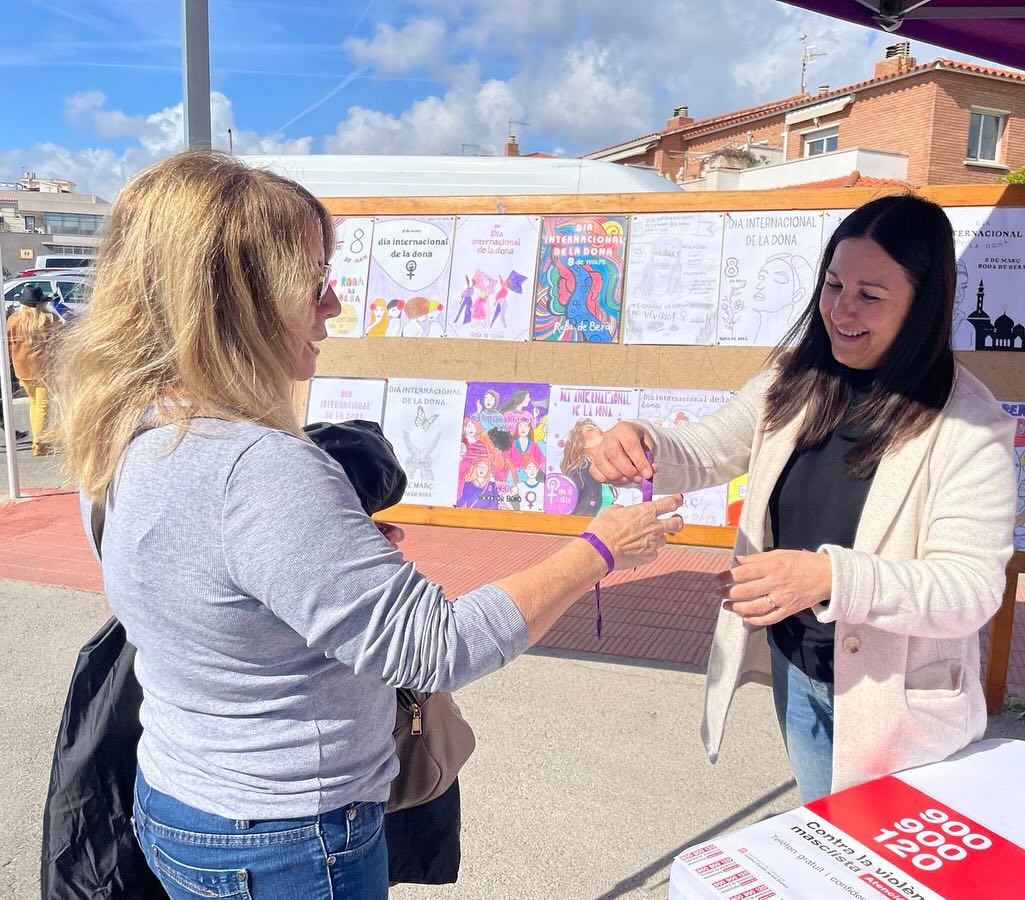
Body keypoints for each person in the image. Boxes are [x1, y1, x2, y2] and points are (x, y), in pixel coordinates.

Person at [50, 150, 685, 900]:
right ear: (237, 299)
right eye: (313, 281)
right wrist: (602, 547)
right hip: (285, 839)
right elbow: (437, 648)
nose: (334, 305)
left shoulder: (128, 429)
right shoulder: (258, 468)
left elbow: (192, 581)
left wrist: (313, 569)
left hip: (177, 798)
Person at [589, 194, 1017, 802]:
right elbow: (707, 448)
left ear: (924, 304)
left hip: (896, 703)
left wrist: (828, 578)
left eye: (870, 295)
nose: (841, 309)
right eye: (833, 284)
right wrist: (643, 441)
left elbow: (969, 590)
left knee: (879, 851)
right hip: (798, 667)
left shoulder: (970, 426)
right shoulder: (795, 378)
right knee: (824, 836)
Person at [7, 284, 63, 455]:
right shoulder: (50, 319)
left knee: (34, 402)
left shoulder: (14, 320)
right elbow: (60, 342)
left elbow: (9, 343)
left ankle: (38, 439)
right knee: (42, 405)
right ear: (41, 303)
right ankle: (38, 443)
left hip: (22, 368)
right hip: (44, 368)